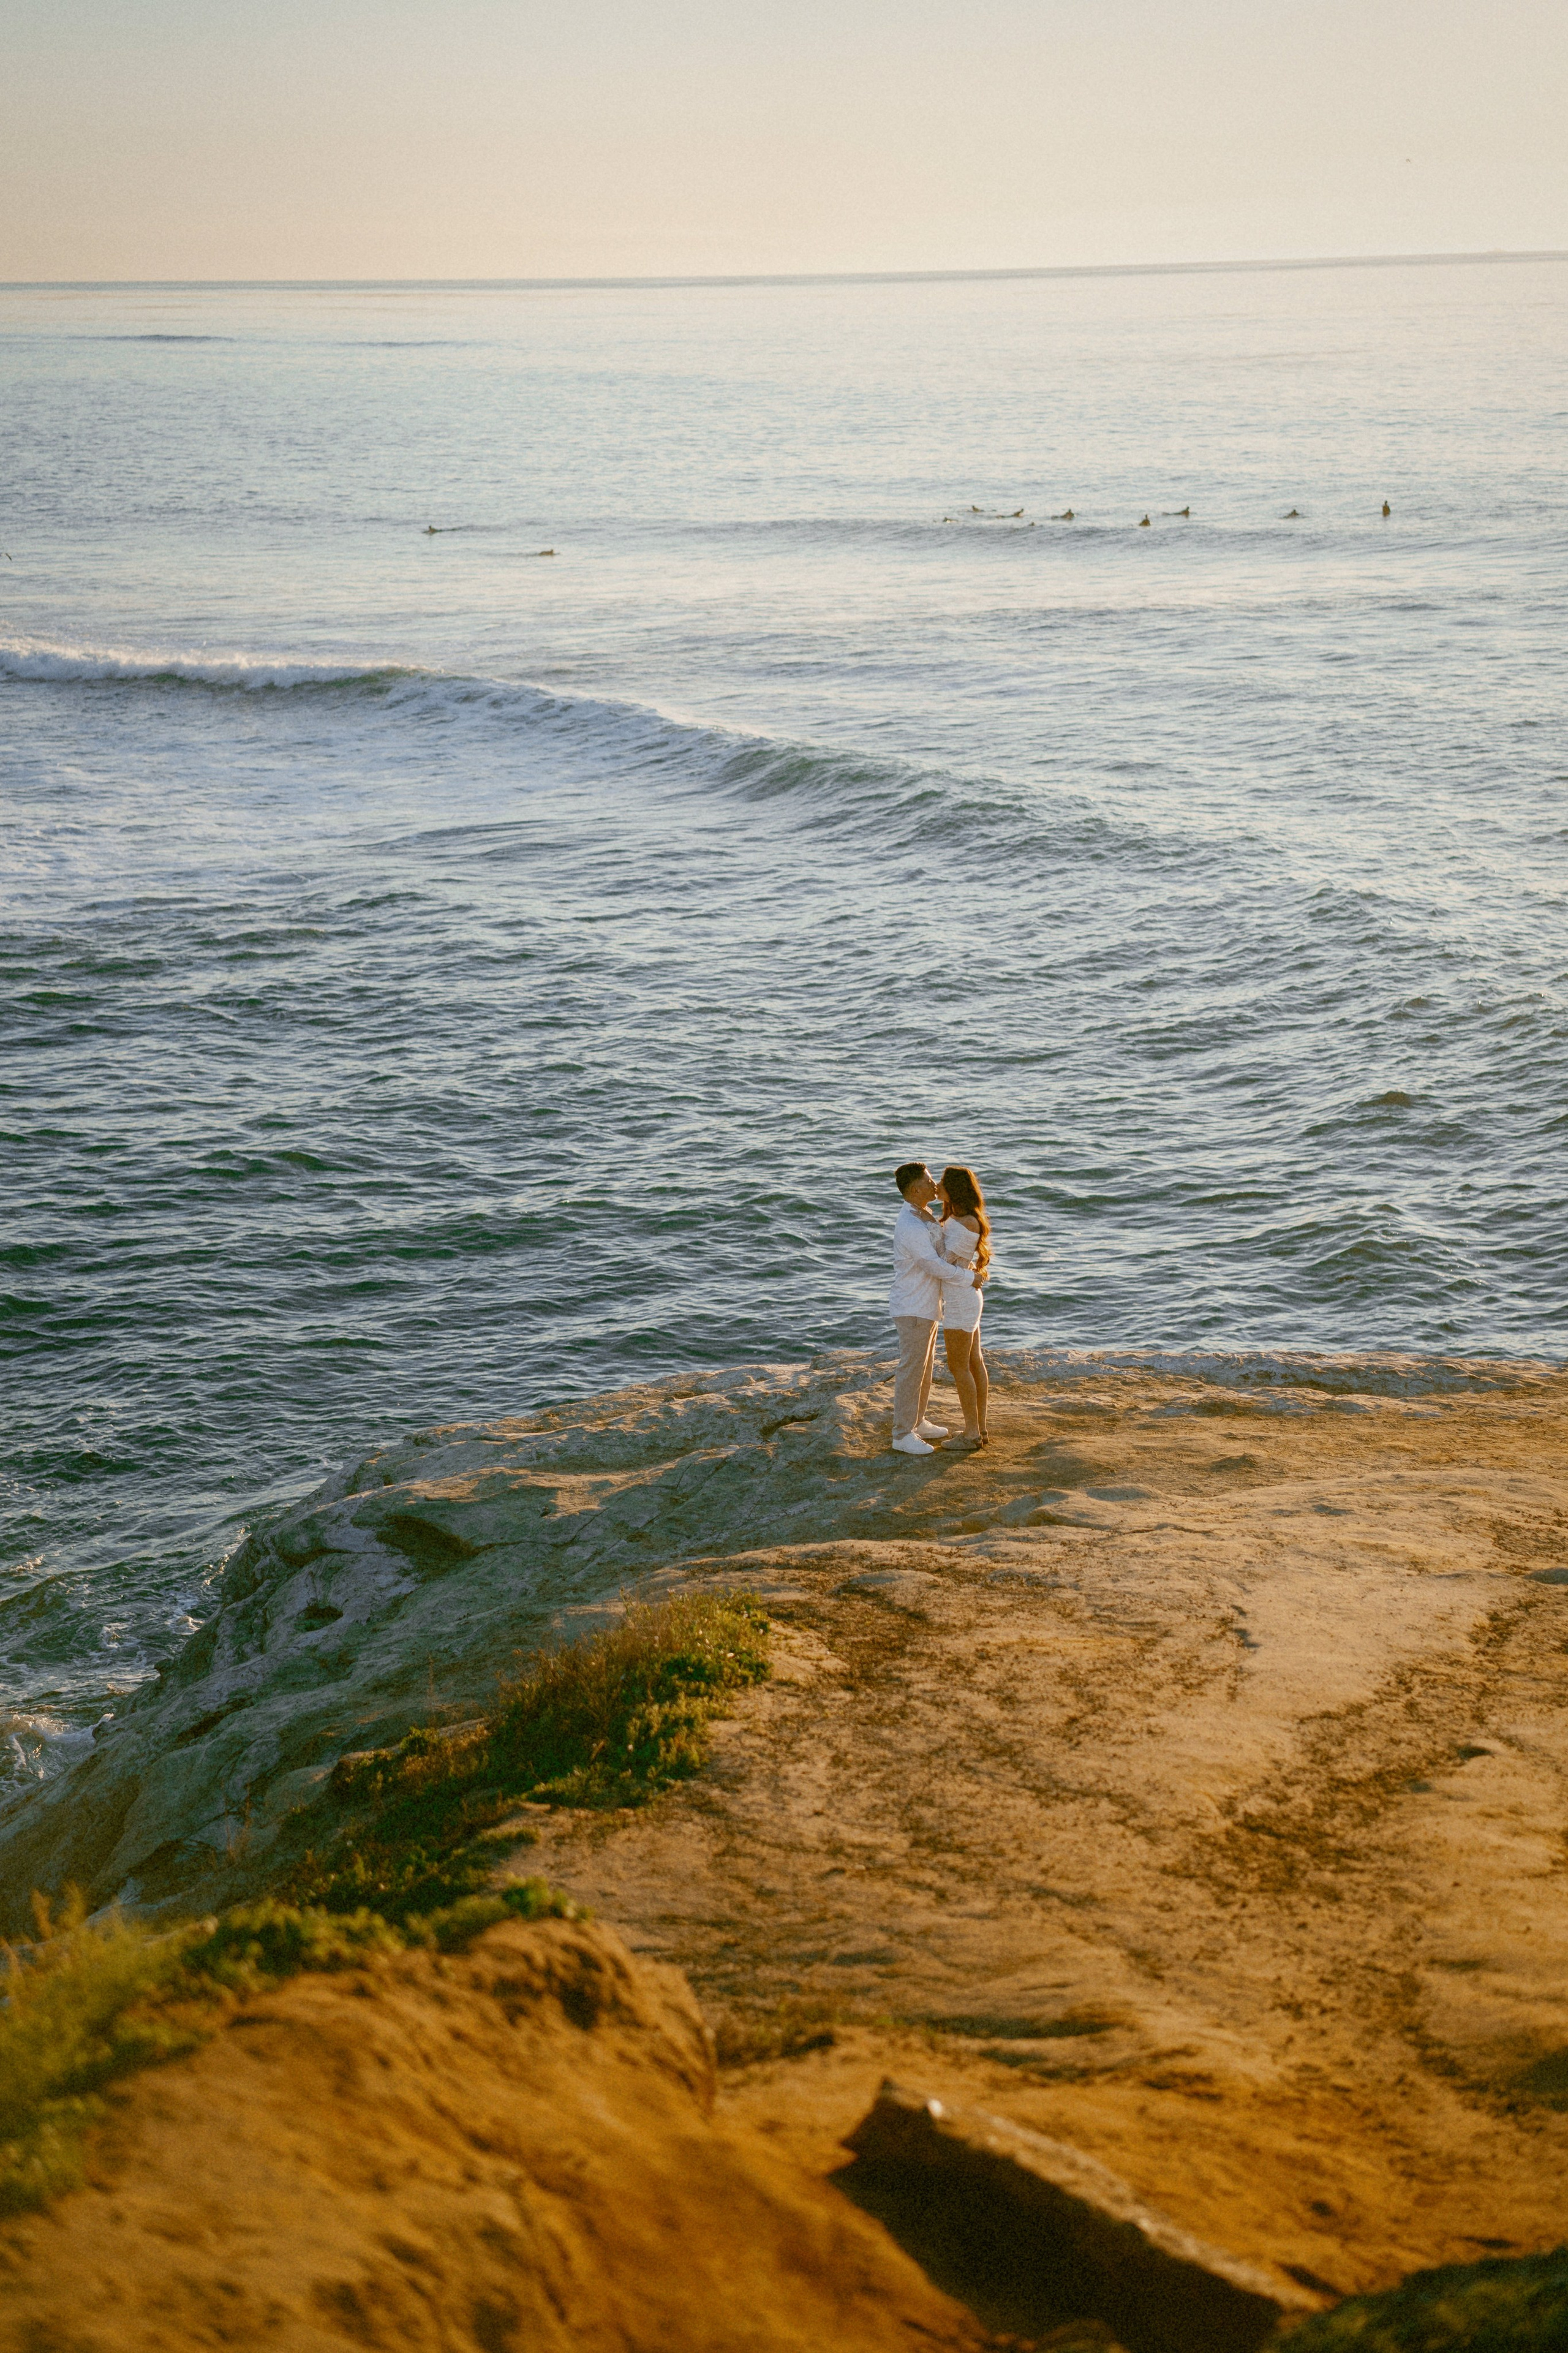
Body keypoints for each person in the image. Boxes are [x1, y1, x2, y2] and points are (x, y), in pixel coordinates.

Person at [888, 1161, 982, 1455]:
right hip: (914, 1305)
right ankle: (902, 1434)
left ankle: (917, 1422)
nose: (934, 1185)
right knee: (912, 1368)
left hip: (929, 1306)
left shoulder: (925, 1215)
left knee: (925, 1368)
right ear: (916, 1189)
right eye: (929, 1180)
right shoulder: (911, 1225)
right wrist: (969, 1277)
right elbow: (933, 1264)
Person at [935, 1165, 991, 1448]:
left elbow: (945, 1262)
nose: (937, 1184)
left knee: (960, 1368)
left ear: (954, 1188)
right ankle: (979, 1430)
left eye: (942, 1181)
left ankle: (971, 1434)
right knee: (973, 1363)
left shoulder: (966, 1222)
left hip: (960, 1300)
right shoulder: (958, 1217)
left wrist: (930, 1232)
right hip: (965, 1296)